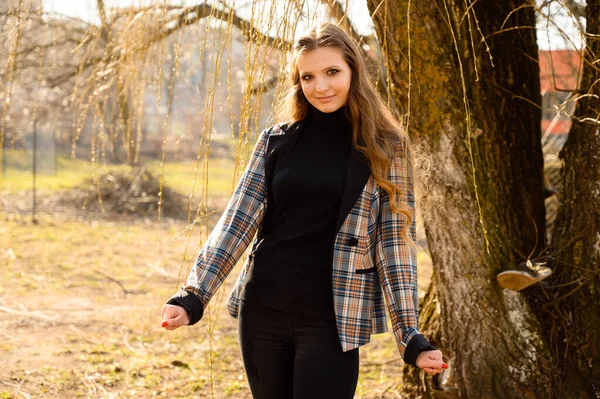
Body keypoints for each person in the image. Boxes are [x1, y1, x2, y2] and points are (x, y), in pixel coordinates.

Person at [161, 22, 447, 399]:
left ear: (353, 72)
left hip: (333, 320)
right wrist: (194, 296)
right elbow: (237, 221)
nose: (321, 86)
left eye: (332, 72)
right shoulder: (276, 141)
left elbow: (393, 245)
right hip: (262, 309)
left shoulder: (386, 149)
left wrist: (409, 335)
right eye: (308, 76)